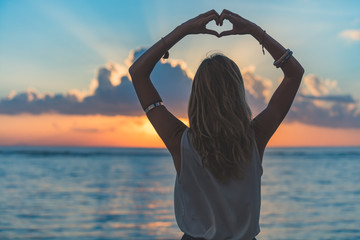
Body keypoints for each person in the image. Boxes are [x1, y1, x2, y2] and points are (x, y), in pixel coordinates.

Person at [129, 9, 304, 240]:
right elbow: (294, 74)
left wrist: (184, 30)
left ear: (197, 95)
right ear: (238, 93)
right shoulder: (255, 137)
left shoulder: (179, 139)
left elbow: (138, 73)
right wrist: (254, 31)